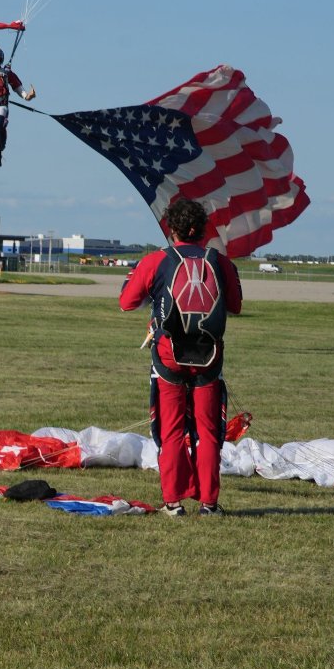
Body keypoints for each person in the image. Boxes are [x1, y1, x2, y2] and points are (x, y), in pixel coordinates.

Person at [118, 195, 243, 516]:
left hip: (168, 356)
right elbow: (236, 305)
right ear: (200, 229)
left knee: (171, 430)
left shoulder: (157, 261)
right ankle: (209, 503)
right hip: (209, 357)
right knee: (208, 432)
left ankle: (173, 502)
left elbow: (127, 302)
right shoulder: (220, 262)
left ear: (172, 228)